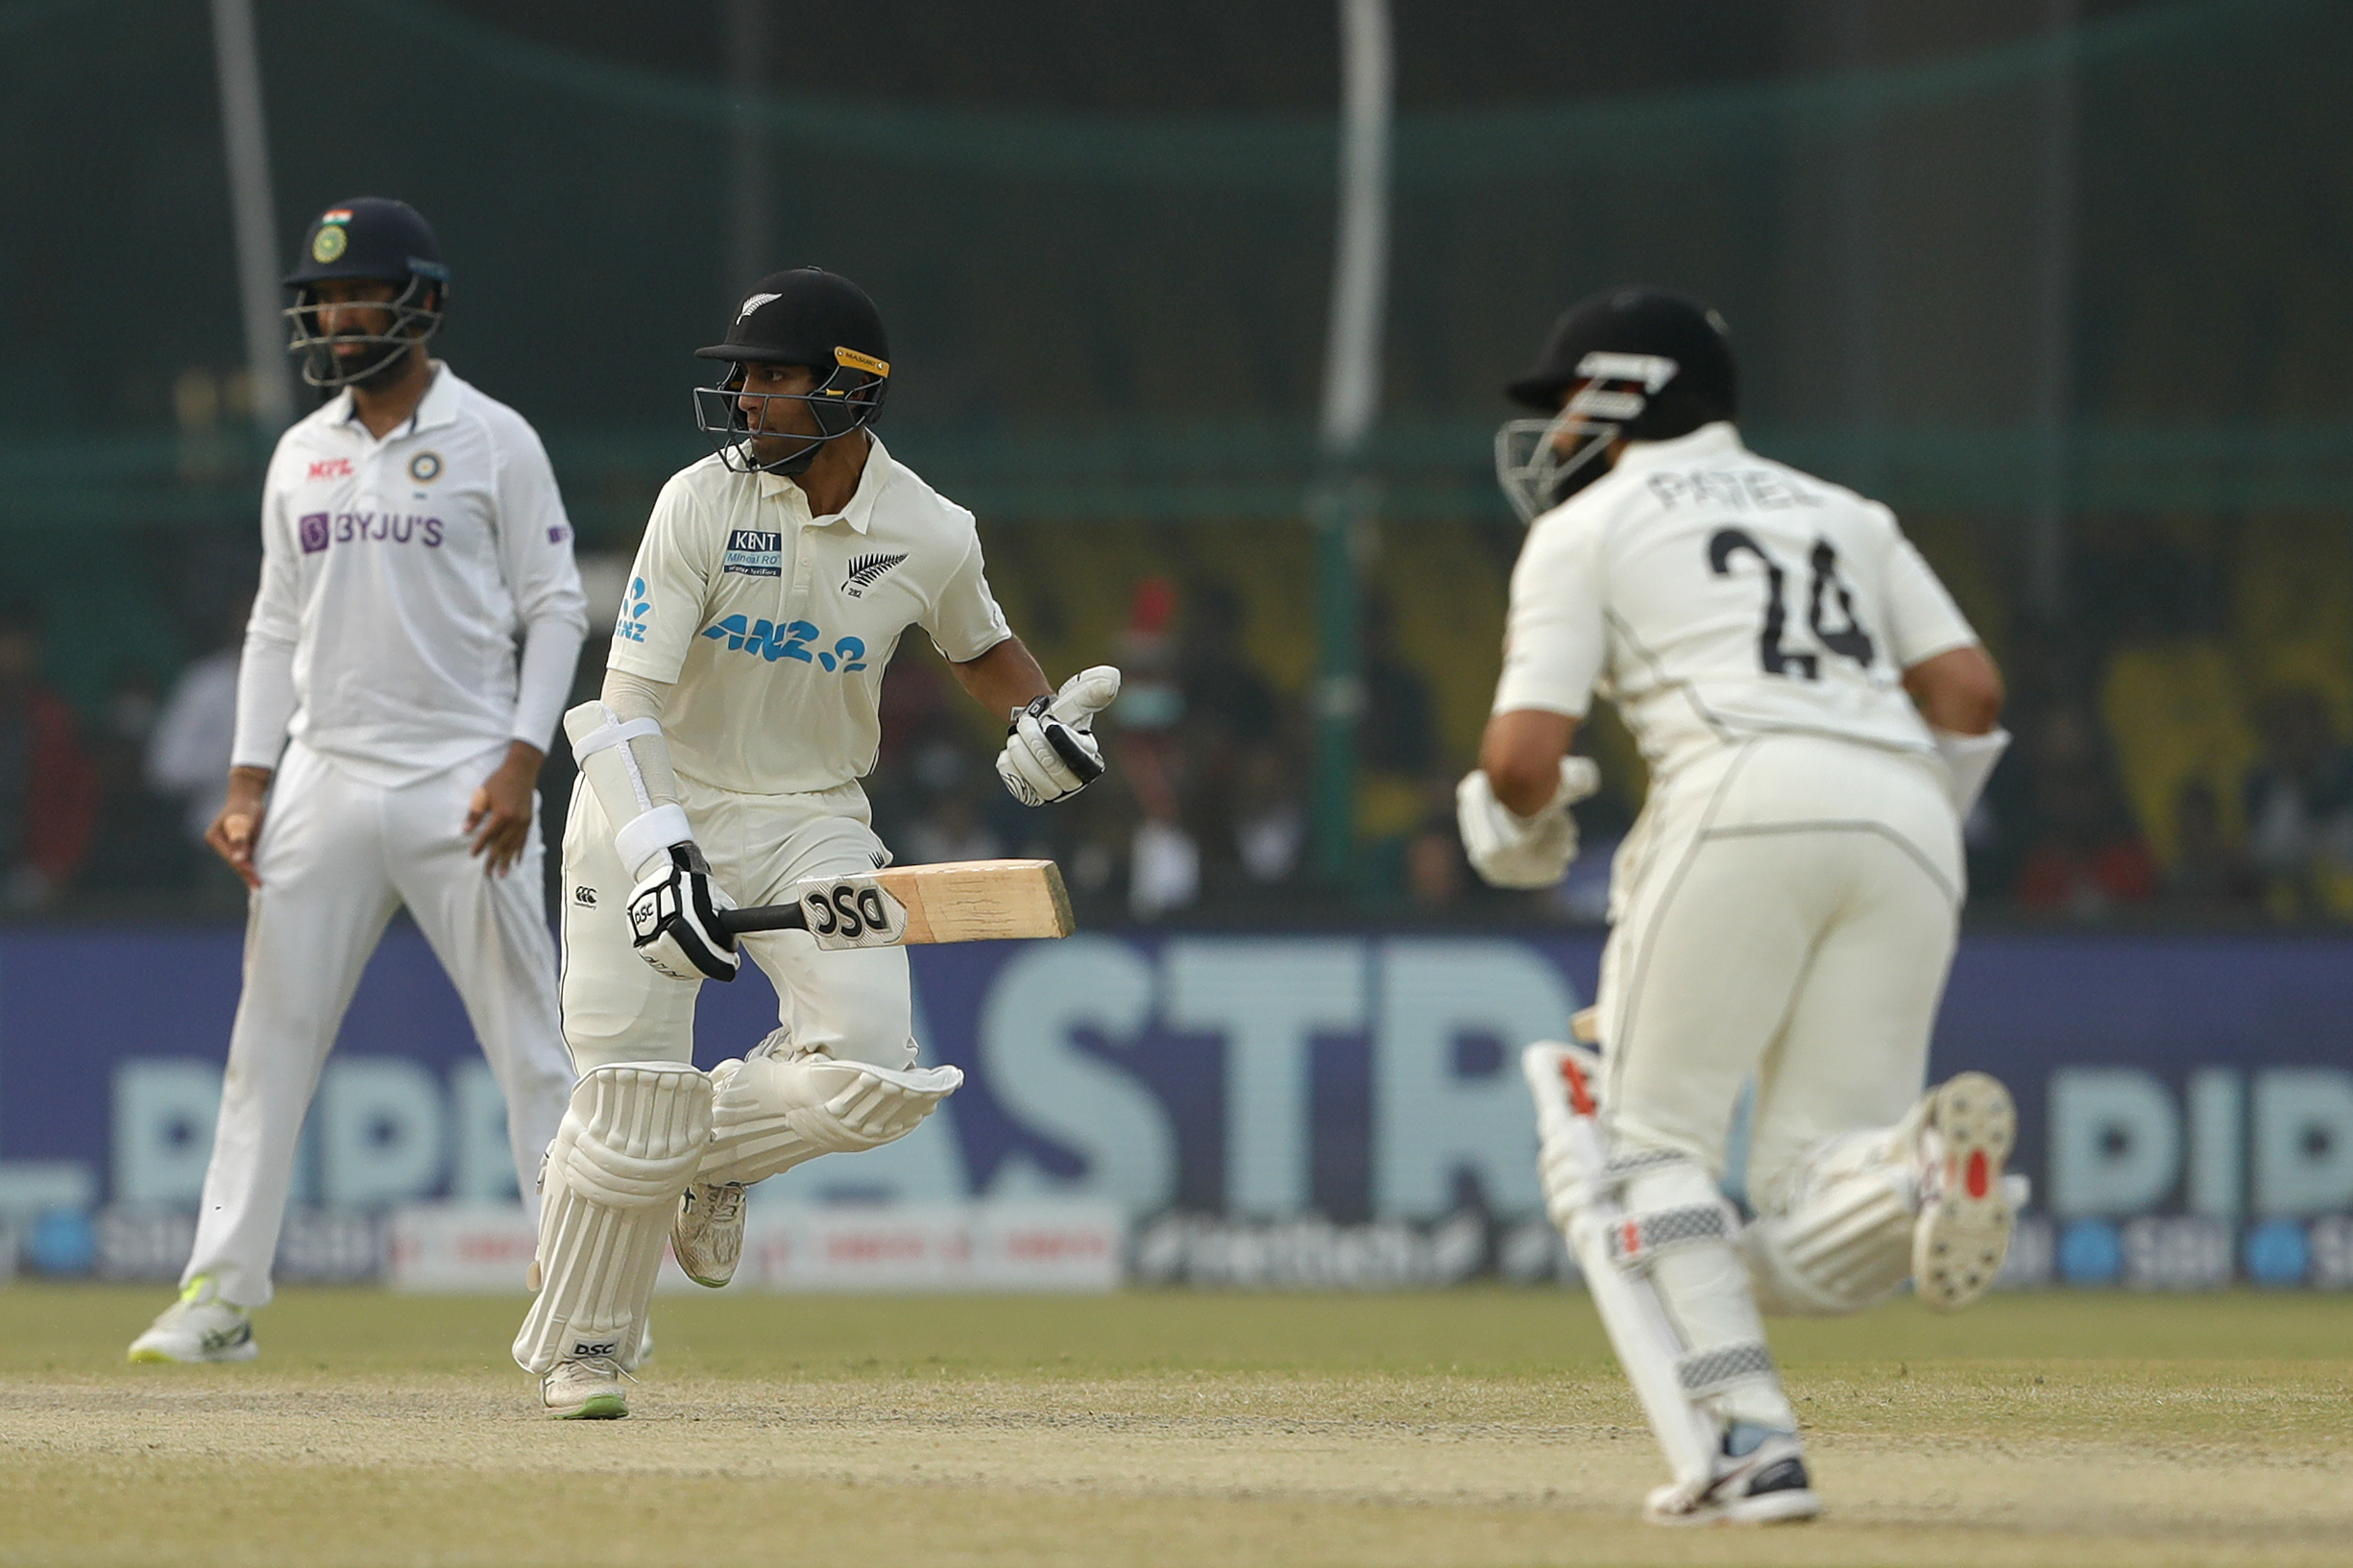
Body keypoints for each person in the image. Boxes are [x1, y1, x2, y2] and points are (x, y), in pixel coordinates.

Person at [516, 269, 1117, 1418]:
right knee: (630, 1089)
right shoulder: (696, 502)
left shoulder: (929, 530)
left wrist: (1035, 716)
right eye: (739, 376)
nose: (745, 399)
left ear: (851, 390)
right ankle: (586, 1349)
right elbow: (626, 701)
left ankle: (685, 1157)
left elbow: (981, 642)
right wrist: (661, 858)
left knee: (873, 1074)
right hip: (650, 803)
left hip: (811, 816)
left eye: (774, 377)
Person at [1466, 288, 2017, 1523]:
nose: (1552, 433)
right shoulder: (1846, 512)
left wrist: (1517, 819)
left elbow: (1517, 759)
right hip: (1911, 814)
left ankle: (1753, 1443)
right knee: (1816, 1190)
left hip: (1738, 792)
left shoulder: (1587, 527)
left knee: (1650, 1144)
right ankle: (1915, 1170)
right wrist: (1893, 792)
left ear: (1616, 395)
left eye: (1563, 405)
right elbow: (1971, 694)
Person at [128, 199, 586, 1363]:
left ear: (420, 304)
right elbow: (273, 626)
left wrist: (522, 765)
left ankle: (583, 1305)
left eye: (358, 295)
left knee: (532, 1046)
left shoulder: (495, 439)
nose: (336, 317)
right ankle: (220, 1297)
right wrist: (247, 782)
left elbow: (557, 607)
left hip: (464, 780)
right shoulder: (302, 451)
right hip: (323, 778)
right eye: (322, 299)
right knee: (265, 1042)